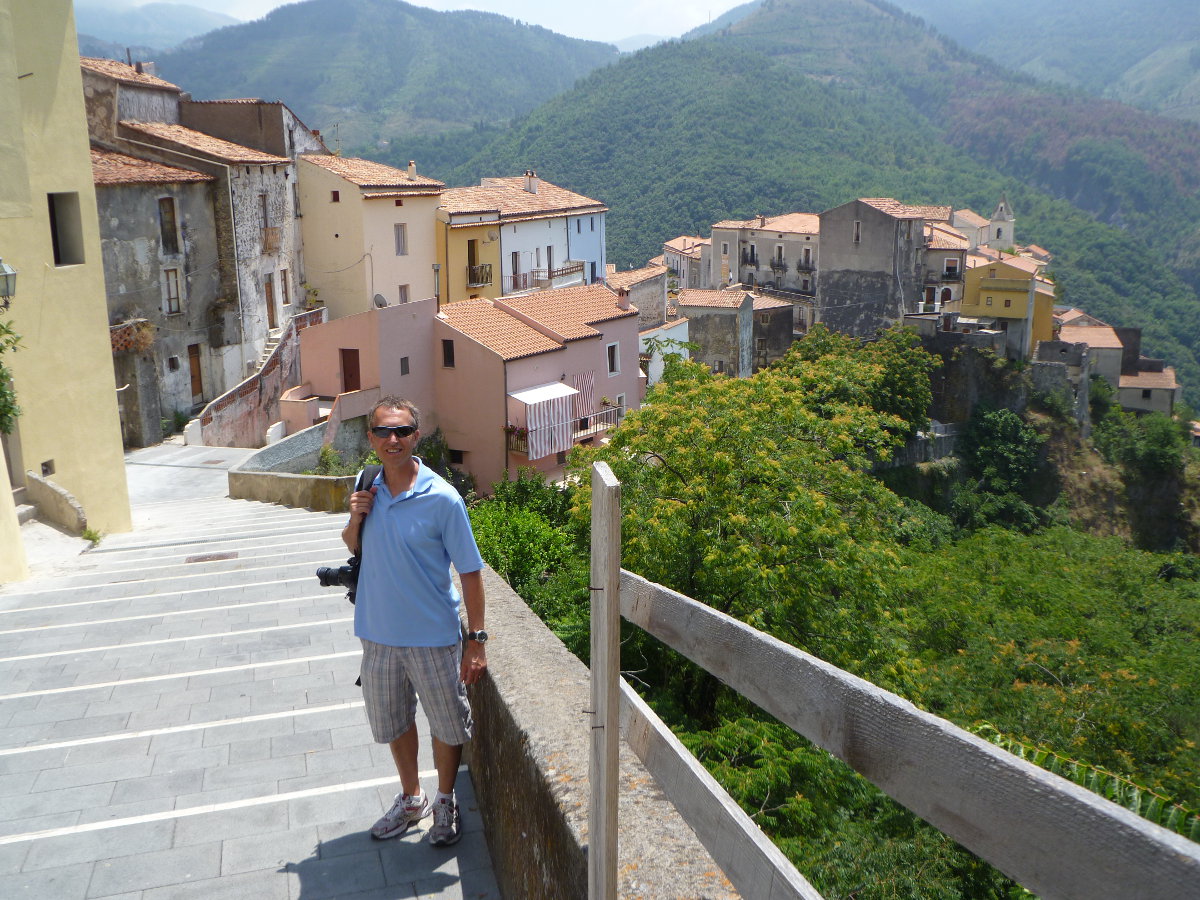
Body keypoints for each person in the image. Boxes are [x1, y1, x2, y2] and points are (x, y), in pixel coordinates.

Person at [342, 396, 487, 846]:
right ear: (371, 438)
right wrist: (355, 516)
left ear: (415, 436)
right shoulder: (367, 488)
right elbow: (352, 546)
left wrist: (476, 640)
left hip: (433, 636)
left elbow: (470, 572)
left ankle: (445, 799)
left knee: (447, 723)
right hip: (378, 635)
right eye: (383, 431)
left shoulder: (443, 499)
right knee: (394, 722)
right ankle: (412, 797)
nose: (392, 439)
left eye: (401, 431)